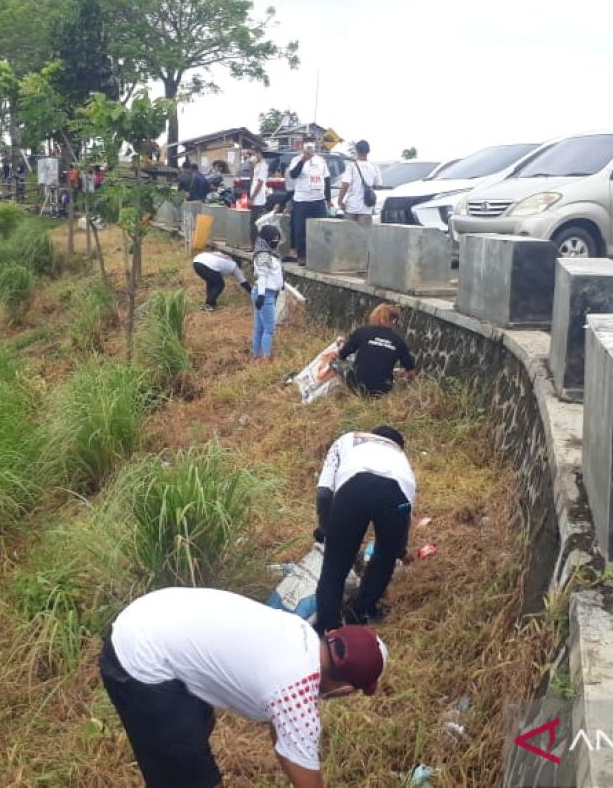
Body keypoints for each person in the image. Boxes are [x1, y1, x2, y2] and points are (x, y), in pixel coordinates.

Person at [100, 587, 388, 788]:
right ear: (346, 689)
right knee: (198, 782)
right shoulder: (296, 694)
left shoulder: (298, 632)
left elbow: (287, 743)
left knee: (197, 732)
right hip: (140, 659)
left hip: (153, 614)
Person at [313, 426, 416, 633]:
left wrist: (326, 528)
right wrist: (399, 551)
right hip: (397, 497)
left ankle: (328, 628)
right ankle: (361, 612)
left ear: (372, 434)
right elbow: (404, 517)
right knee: (384, 559)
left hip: (354, 490)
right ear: (399, 446)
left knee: (335, 566)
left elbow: (324, 493)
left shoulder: (347, 439)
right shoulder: (401, 460)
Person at [336, 303, 418, 396]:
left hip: (355, 385)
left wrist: (342, 343)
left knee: (338, 364)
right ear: (394, 321)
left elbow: (342, 354)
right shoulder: (399, 341)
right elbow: (412, 371)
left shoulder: (363, 331)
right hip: (382, 389)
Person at [287, 142, 330, 264]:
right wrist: (303, 160)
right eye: (307, 147)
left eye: (312, 147)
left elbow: (327, 178)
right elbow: (293, 174)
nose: (310, 150)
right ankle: (302, 256)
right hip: (302, 200)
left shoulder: (321, 161)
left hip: (318, 200)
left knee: (322, 228)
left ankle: (320, 256)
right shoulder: (296, 160)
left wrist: (328, 198)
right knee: (300, 229)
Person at [251, 224, 284, 361]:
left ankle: (256, 355)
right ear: (268, 238)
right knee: (269, 328)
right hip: (264, 294)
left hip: (263, 293)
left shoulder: (267, 252)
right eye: (274, 238)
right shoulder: (264, 254)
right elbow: (263, 275)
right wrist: (262, 295)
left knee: (259, 326)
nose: (276, 241)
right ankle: (266, 358)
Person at [337, 141, 382, 227]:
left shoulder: (351, 166)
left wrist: (340, 201)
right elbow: (378, 185)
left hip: (351, 207)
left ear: (356, 151)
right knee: (364, 238)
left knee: (350, 237)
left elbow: (345, 185)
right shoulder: (374, 166)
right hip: (366, 209)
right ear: (368, 151)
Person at [248, 149, 270, 244]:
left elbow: (260, 183)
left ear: (259, 153)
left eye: (254, 154)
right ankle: (254, 244)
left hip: (258, 199)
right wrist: (252, 166)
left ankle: (255, 245)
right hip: (255, 199)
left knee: (255, 223)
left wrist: (252, 197)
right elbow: (253, 179)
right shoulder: (257, 165)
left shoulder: (263, 166)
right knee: (253, 223)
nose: (253, 157)